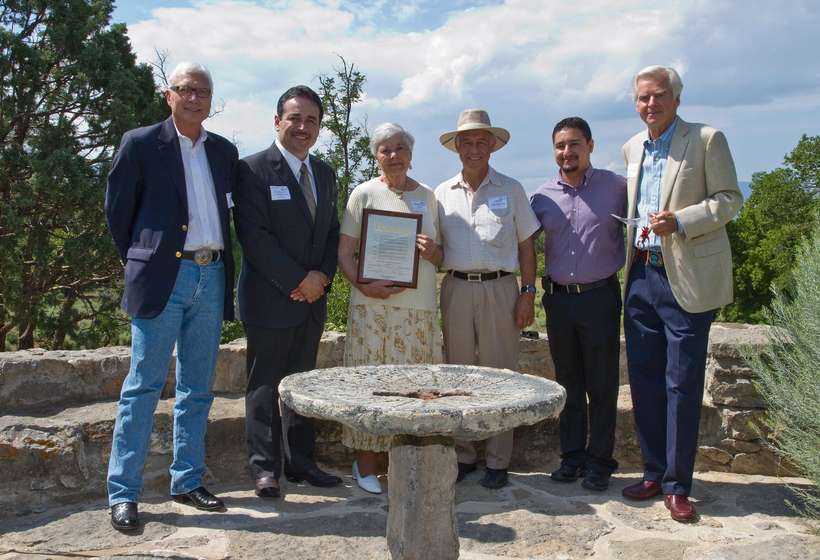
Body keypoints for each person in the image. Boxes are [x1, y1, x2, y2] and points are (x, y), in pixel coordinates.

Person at [104, 62, 238, 531]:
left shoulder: (223, 150)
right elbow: (118, 213)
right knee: (142, 386)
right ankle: (123, 492)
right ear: (169, 95)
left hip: (212, 275)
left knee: (198, 388)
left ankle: (187, 480)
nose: (195, 97)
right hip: (165, 277)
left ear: (210, 98)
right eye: (186, 89)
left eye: (203, 90)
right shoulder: (140, 143)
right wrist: (147, 259)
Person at [621, 66, 743, 522]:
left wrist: (682, 220)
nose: (650, 105)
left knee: (682, 383)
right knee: (645, 381)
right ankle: (653, 473)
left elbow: (730, 199)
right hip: (640, 275)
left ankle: (677, 485)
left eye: (658, 96)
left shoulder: (707, 139)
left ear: (676, 98)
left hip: (686, 279)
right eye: (642, 98)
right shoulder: (633, 147)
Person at [233, 85, 342, 499]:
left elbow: (332, 234)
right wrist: (299, 280)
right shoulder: (252, 170)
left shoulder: (326, 174)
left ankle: (301, 463)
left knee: (303, 387)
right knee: (264, 387)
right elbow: (255, 238)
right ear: (277, 121)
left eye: (311, 120)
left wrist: (322, 278)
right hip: (271, 299)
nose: (303, 126)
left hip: (311, 302)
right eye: (294, 118)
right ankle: (265, 469)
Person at [435, 109, 540, 489]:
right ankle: (463, 454)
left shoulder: (511, 190)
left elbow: (527, 246)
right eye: (467, 142)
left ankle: (498, 459)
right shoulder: (441, 194)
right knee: (457, 373)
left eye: (482, 142)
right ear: (457, 147)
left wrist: (528, 293)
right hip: (456, 288)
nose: (474, 149)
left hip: (501, 289)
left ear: (492, 146)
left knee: (501, 375)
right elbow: (435, 249)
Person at [337, 123, 443, 494]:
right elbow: (344, 255)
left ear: (411, 154)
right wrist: (364, 284)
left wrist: (433, 251)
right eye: (386, 149)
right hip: (373, 309)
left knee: (416, 389)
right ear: (376, 155)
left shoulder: (429, 197)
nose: (394, 155)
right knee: (370, 386)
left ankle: (407, 463)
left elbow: (442, 256)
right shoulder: (363, 194)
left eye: (400, 148)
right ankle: (365, 464)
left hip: (419, 311)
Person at [530, 117, 627, 492]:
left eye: (574, 144)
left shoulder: (616, 188)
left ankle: (600, 461)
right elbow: (520, 242)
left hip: (601, 297)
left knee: (602, 384)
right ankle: (571, 457)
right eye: (559, 146)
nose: (566, 152)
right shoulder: (540, 196)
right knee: (567, 382)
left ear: (590, 145)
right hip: (558, 301)